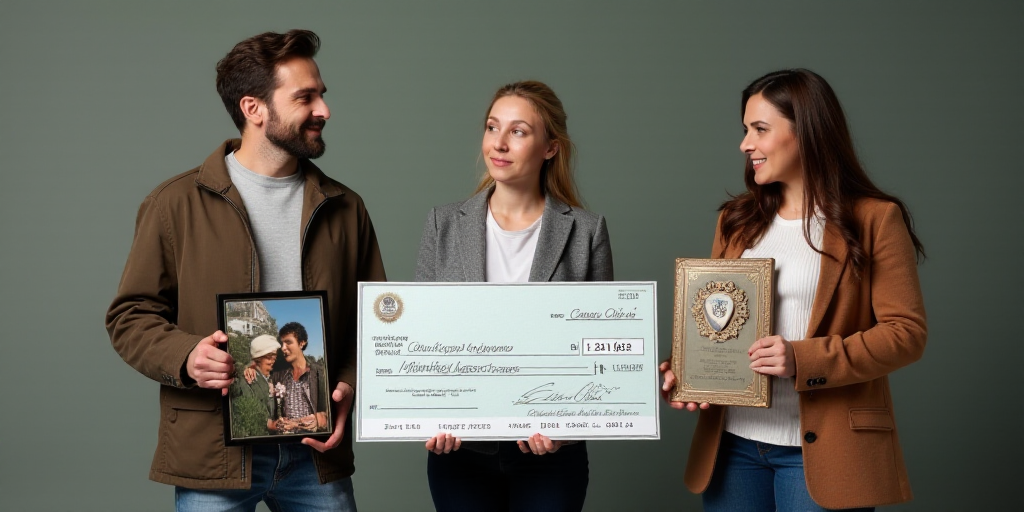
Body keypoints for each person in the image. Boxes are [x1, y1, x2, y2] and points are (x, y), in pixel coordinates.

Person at [106, 29, 386, 512]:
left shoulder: (346, 208)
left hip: (314, 455)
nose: (324, 109)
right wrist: (186, 355)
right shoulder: (174, 205)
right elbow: (130, 316)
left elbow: (378, 325)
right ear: (253, 108)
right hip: (213, 454)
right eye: (305, 97)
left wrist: (349, 386)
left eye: (322, 94)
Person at [660, 68, 927, 511]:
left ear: (807, 132)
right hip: (734, 447)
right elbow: (714, 319)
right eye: (745, 130)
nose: (745, 144)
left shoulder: (875, 219)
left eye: (760, 129)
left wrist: (802, 359)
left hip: (828, 453)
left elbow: (906, 333)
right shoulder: (736, 220)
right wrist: (688, 373)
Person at [415, 80, 613, 512]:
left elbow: (598, 352)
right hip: (459, 452)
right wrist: (427, 416)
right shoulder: (442, 224)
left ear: (550, 148)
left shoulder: (587, 231)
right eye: (492, 127)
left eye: (518, 131)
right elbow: (421, 336)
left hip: (550, 454)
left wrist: (567, 427)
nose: (499, 143)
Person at [268, 322, 329, 433]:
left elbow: (329, 412)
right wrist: (250, 367)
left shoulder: (319, 373)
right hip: (286, 440)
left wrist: (309, 421)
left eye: (288, 342)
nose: (283, 348)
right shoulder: (279, 375)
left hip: (311, 440)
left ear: (301, 343)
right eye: (282, 344)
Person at [233, 334, 280, 419]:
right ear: (258, 358)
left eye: (275, 357)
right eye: (269, 357)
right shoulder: (249, 381)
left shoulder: (274, 376)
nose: (273, 361)